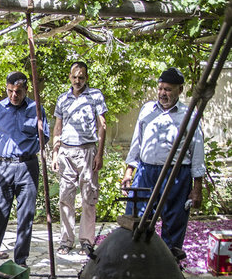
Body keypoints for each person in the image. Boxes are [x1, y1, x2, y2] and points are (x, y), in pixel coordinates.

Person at [120, 67, 204, 261]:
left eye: (168, 89)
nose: (163, 93)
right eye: (160, 89)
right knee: (136, 218)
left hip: (176, 175)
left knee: (174, 222)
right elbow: (137, 142)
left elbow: (197, 150)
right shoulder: (147, 110)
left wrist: (197, 186)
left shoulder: (189, 114)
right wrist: (129, 172)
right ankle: (135, 261)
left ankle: (169, 266)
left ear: (180, 90)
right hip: (146, 172)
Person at [0, 71, 50, 270]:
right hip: (4, 166)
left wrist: (27, 150)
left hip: (28, 166)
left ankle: (20, 261)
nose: (14, 95)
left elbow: (45, 137)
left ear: (26, 89)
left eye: (18, 91)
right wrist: (4, 152)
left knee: (26, 216)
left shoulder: (37, 109)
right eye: (10, 91)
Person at [52, 61, 107, 256]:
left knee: (88, 198)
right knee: (65, 197)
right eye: (74, 76)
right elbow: (58, 127)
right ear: (69, 76)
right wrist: (55, 152)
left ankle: (86, 241)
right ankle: (66, 241)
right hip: (66, 151)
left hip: (88, 151)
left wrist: (99, 154)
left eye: (81, 77)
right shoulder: (63, 99)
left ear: (86, 78)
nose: (77, 80)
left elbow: (102, 126)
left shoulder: (95, 96)